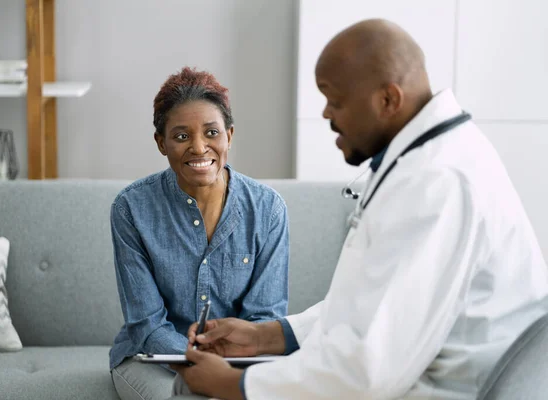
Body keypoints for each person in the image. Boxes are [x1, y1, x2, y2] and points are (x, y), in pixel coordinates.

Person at [170, 19, 548, 400]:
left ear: (388, 99)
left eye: (335, 99)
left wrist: (236, 384)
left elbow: (370, 371)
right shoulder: (429, 162)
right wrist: (267, 335)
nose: (325, 113)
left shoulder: (437, 181)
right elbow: (377, 306)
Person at [108, 67, 290, 400]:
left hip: (240, 359)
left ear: (229, 136)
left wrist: (225, 368)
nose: (198, 147)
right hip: (152, 360)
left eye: (211, 133)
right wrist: (199, 362)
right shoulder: (131, 209)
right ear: (161, 142)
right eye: (181, 136)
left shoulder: (268, 209)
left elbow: (265, 316)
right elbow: (146, 324)